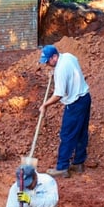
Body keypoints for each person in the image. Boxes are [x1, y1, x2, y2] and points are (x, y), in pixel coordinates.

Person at [39, 44, 91, 178]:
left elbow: (58, 95)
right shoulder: (68, 56)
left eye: (48, 61)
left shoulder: (60, 70)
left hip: (74, 104)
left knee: (67, 135)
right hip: (85, 98)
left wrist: (45, 105)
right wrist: (54, 72)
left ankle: (62, 167)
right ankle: (79, 163)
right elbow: (71, 71)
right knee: (81, 132)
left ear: (54, 57)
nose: (47, 64)